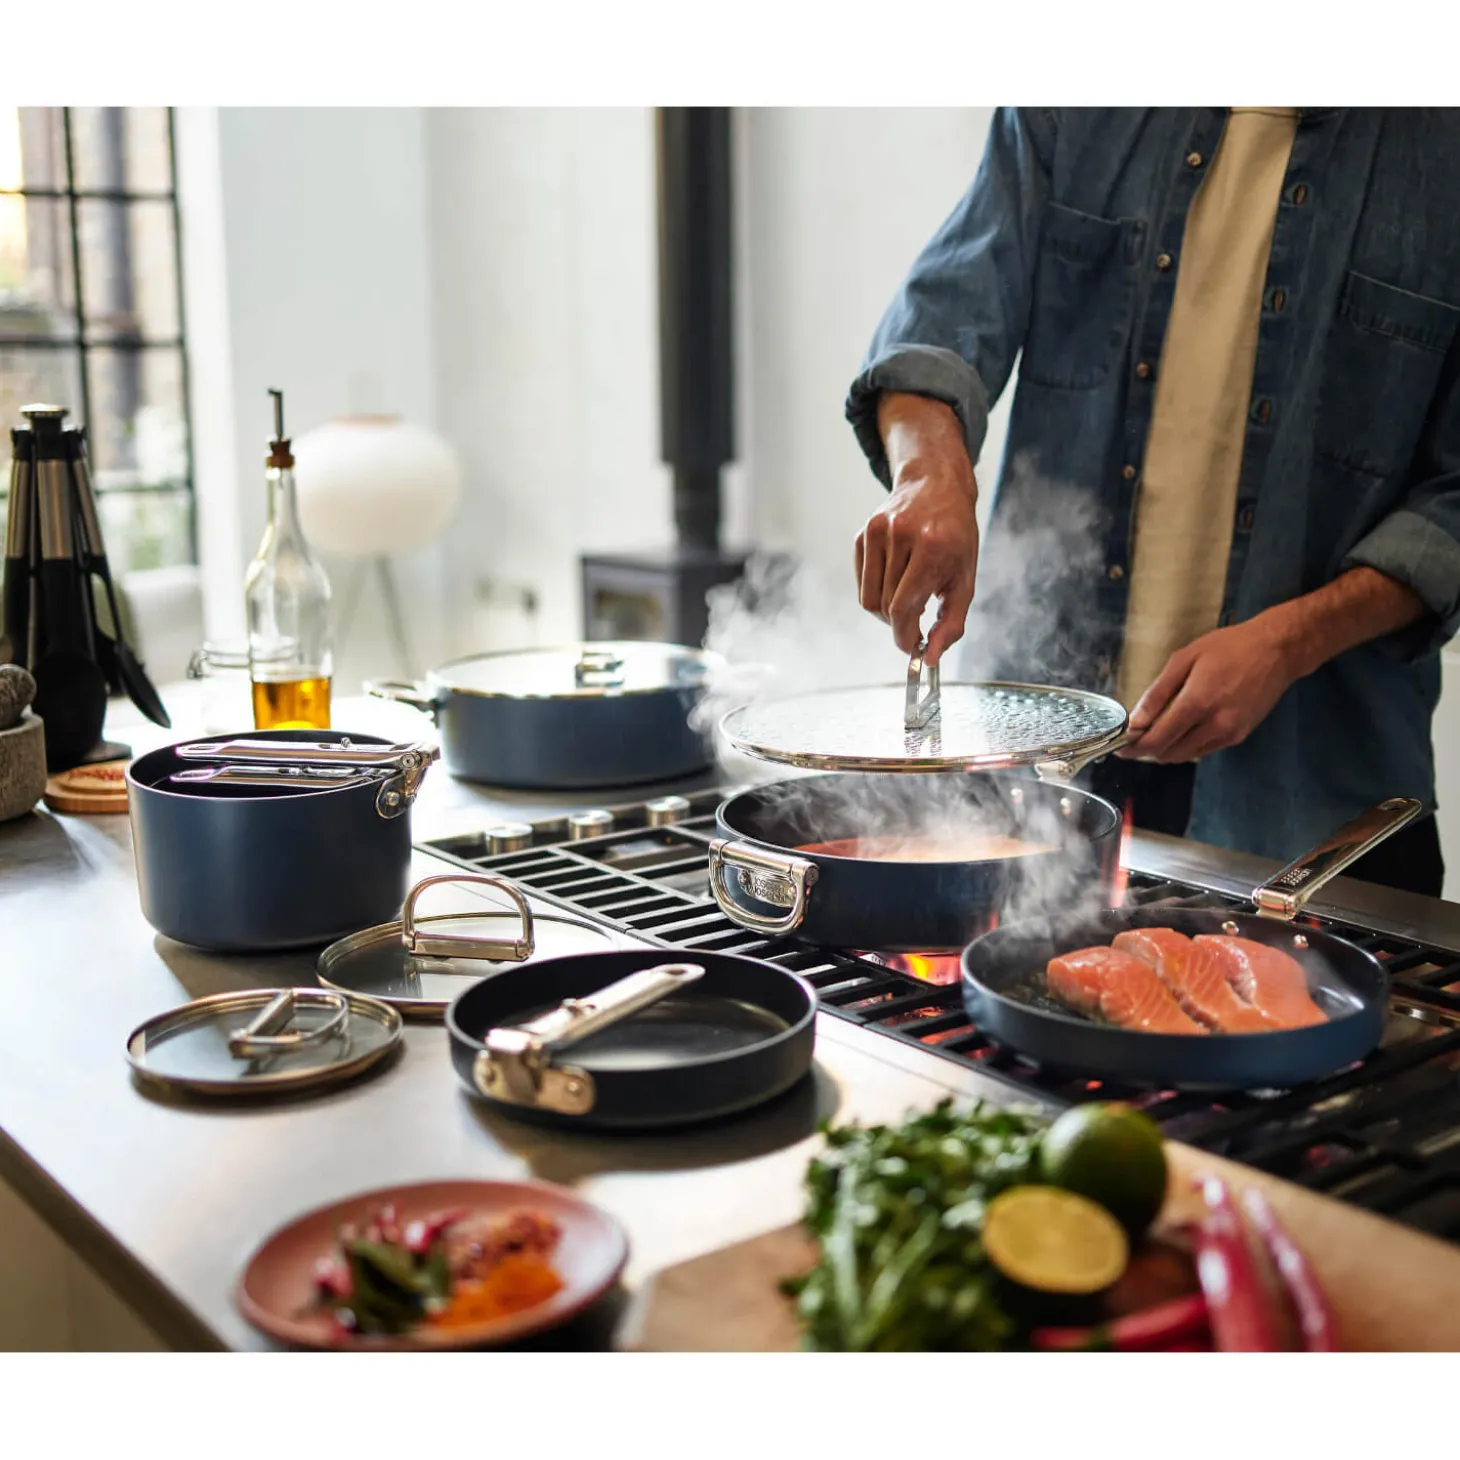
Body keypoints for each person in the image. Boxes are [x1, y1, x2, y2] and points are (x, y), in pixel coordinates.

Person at [847, 108, 1460, 897]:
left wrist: (1288, 643)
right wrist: (931, 476)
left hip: (1317, 796)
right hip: (1043, 777)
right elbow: (938, 321)